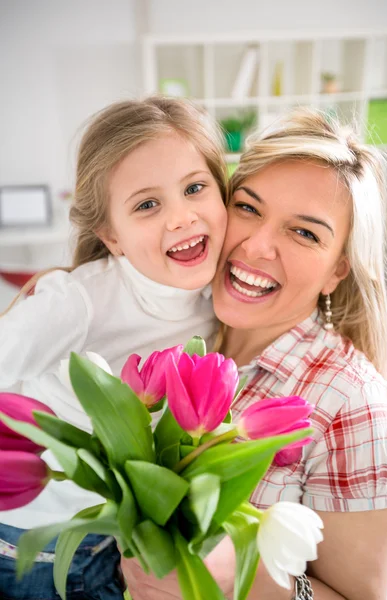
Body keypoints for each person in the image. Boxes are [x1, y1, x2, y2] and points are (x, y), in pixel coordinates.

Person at [121, 108, 387, 599]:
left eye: (305, 232)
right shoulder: (176, 324)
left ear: (338, 269)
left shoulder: (353, 404)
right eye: (248, 208)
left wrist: (242, 577)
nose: (257, 245)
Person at [0, 96, 228, 599]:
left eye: (195, 188)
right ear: (112, 236)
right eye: (148, 204)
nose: (181, 217)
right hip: (31, 549)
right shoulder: (77, 302)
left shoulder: (219, 300)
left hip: (117, 548)